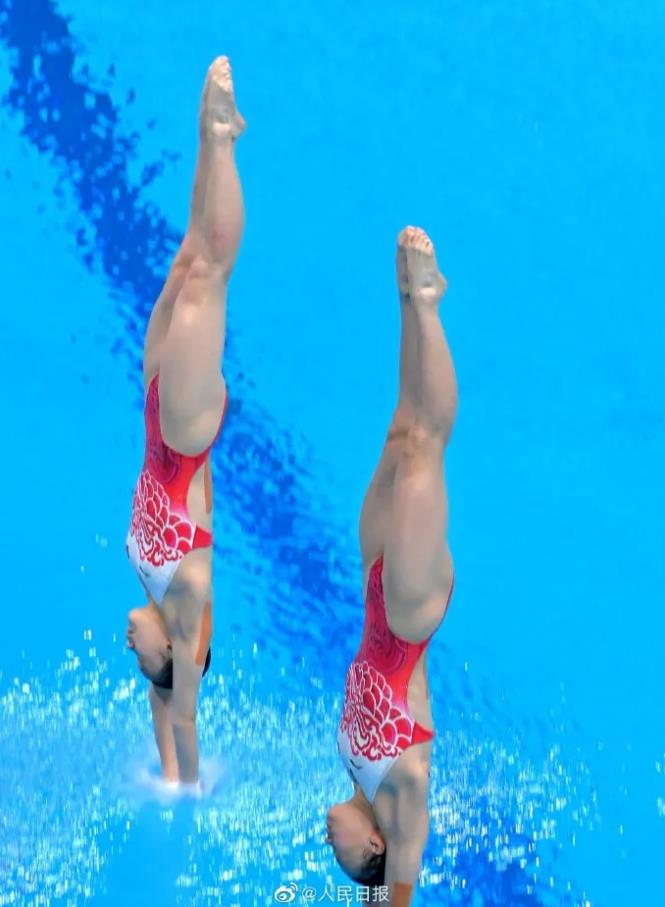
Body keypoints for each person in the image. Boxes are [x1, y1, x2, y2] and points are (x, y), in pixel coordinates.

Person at [125, 56, 245, 792]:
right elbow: (184, 708)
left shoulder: (150, 594)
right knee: (207, 275)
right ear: (172, 648)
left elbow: (162, 706)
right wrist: (187, 784)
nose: (126, 637)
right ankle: (225, 141)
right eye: (139, 648)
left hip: (153, 414)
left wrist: (163, 772)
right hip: (186, 432)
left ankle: (212, 134)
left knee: (182, 261)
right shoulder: (187, 594)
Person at [326, 227, 457, 905]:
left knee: (400, 431)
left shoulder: (356, 772)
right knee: (425, 450)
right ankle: (431, 303)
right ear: (374, 846)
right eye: (342, 857)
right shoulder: (400, 802)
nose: (329, 844)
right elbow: (392, 894)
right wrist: (388, 893)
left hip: (375, 587)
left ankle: (407, 302)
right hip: (408, 614)